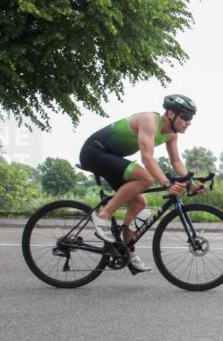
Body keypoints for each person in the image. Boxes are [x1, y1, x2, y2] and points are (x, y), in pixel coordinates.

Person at [80, 95, 205, 272]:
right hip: (94, 151)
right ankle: (104, 216)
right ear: (170, 113)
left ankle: (127, 252)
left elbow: (176, 162)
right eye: (185, 117)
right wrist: (167, 184)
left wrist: (190, 183)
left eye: (190, 119)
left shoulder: (171, 135)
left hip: (111, 157)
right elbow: (146, 157)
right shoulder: (149, 120)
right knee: (146, 178)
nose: (188, 122)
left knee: (139, 203)